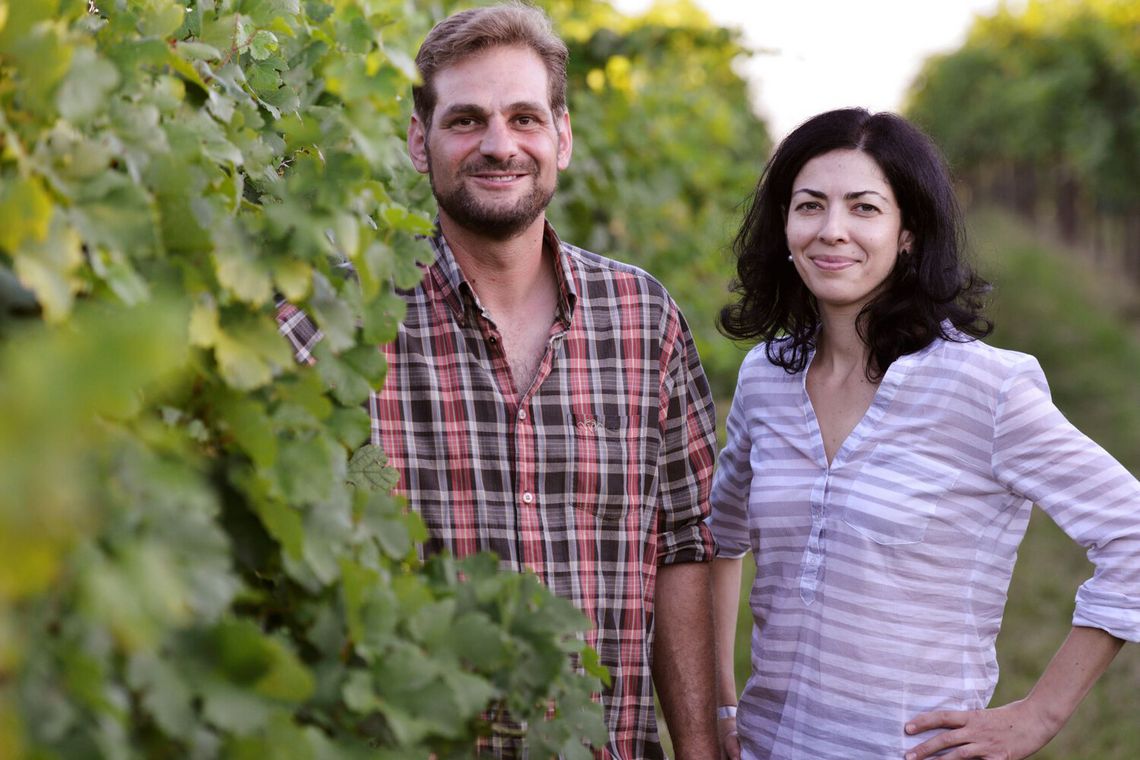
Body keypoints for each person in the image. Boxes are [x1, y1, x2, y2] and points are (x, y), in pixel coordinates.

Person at [278, 4, 720, 758]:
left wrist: (702, 747)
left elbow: (681, 547)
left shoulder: (645, 319)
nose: (498, 145)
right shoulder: (328, 322)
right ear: (420, 142)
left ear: (563, 137)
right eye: (465, 120)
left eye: (524, 118)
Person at [708, 107, 1140, 759]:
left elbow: (1131, 533)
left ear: (908, 232)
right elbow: (720, 537)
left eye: (863, 208)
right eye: (809, 206)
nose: (832, 231)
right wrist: (718, 708)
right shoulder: (765, 377)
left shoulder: (983, 388)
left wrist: (1041, 714)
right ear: (785, 224)